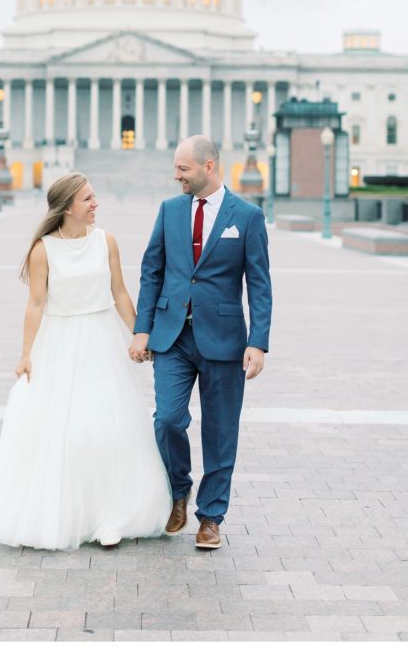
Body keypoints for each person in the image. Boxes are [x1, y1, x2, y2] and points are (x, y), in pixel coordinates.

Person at [0, 172, 172, 551]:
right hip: (59, 341)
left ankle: (111, 515)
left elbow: (119, 292)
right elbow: (35, 304)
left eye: (94, 197)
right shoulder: (43, 250)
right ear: (67, 208)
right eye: (87, 199)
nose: (95, 204)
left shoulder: (106, 241)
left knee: (108, 428)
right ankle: (68, 514)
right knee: (65, 431)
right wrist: (26, 353)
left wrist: (140, 334)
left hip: (100, 340)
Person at [128, 135, 273, 550]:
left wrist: (258, 341)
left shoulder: (246, 216)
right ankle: (178, 491)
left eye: (183, 169)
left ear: (209, 166)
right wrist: (143, 328)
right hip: (172, 335)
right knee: (168, 419)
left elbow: (259, 284)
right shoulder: (170, 210)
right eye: (176, 168)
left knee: (220, 430)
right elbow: (151, 270)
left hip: (225, 339)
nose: (176, 175)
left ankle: (211, 516)